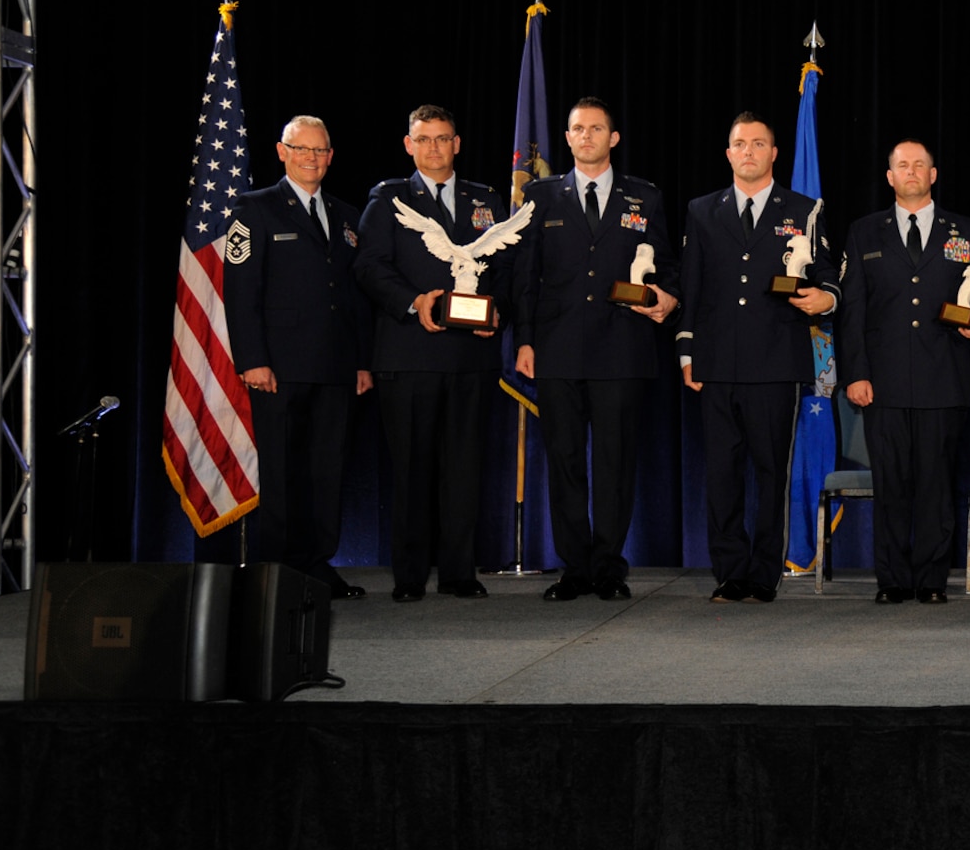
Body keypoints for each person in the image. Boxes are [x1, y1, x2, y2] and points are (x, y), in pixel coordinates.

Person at [513, 96, 677, 602]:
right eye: (578, 129)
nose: (586, 136)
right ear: (566, 138)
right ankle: (575, 568)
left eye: (596, 128)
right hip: (557, 351)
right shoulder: (539, 196)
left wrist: (667, 299)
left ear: (614, 138)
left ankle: (608, 567)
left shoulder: (643, 198)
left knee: (614, 462)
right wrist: (523, 340)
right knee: (563, 461)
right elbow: (525, 278)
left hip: (621, 350)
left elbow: (667, 267)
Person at [836, 140, 970, 604]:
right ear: (889, 177)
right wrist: (855, 373)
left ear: (933, 175)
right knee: (891, 486)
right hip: (883, 383)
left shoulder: (967, 233)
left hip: (944, 380)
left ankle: (932, 580)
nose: (910, 171)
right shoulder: (864, 233)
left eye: (919, 164)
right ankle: (892, 580)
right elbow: (851, 311)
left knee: (936, 487)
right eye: (901, 165)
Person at [677, 111, 840, 604]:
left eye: (758, 143)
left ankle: (764, 573)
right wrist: (688, 352)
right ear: (728, 153)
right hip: (717, 363)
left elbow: (829, 272)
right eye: (739, 143)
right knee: (723, 475)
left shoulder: (805, 208)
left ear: (774, 153)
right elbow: (692, 286)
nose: (748, 151)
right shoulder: (703, 210)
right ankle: (730, 571)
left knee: (772, 473)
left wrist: (826, 298)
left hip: (777, 362)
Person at [355, 105, 512, 602]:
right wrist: (411, 301)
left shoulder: (483, 200)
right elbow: (369, 266)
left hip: (471, 357)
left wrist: (497, 313)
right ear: (408, 145)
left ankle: (459, 572)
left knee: (464, 469)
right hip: (409, 356)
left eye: (442, 139)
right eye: (423, 139)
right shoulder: (388, 199)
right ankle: (408, 576)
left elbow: (507, 267)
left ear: (457, 143)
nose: (434, 148)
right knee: (412, 469)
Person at [224, 114, 373, 600]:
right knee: (284, 471)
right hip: (279, 368)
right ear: (282, 151)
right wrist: (252, 359)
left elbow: (355, 298)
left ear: (331, 157)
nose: (311, 158)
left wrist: (361, 361)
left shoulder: (348, 215)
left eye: (320, 150)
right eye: (302, 149)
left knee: (326, 471)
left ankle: (316, 565)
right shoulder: (255, 208)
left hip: (334, 367)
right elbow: (241, 292)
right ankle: (277, 570)